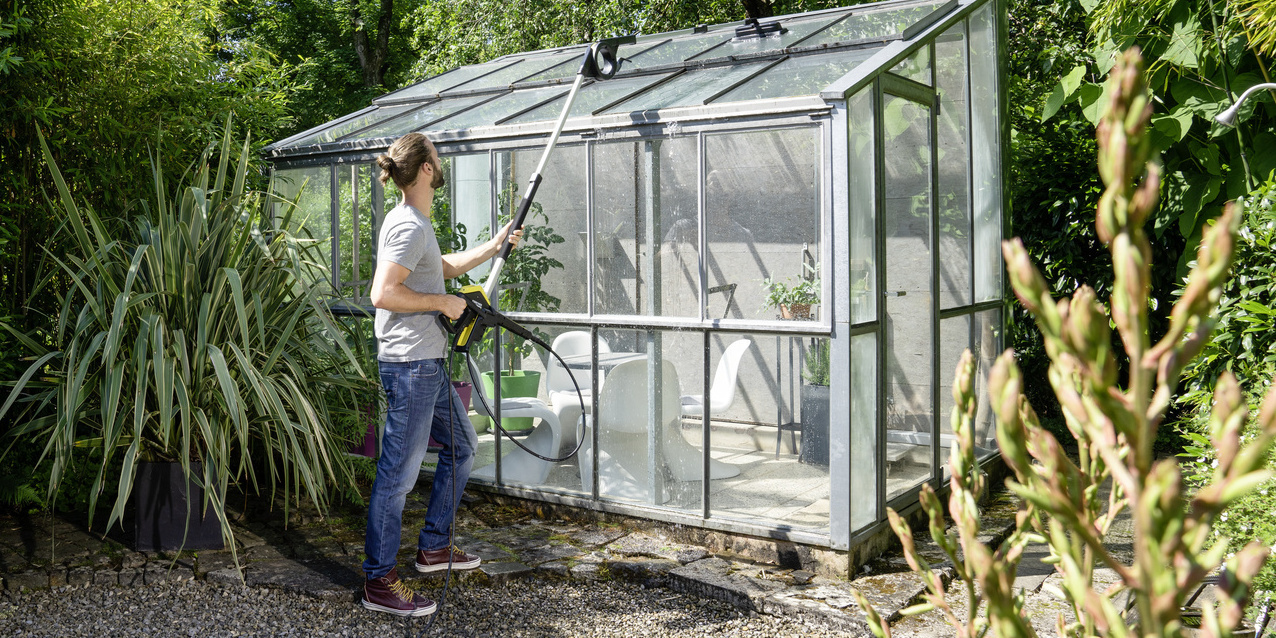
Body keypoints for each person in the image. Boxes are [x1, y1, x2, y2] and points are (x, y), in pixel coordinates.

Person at [361, 132, 522, 617]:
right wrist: (442, 303)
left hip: (425, 364)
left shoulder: (416, 223)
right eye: (436, 153)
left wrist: (491, 249)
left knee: (463, 446)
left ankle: (433, 546)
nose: (441, 158)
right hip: (410, 366)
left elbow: (439, 269)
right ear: (426, 168)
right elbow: (383, 294)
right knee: (398, 475)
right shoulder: (409, 226)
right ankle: (378, 582)